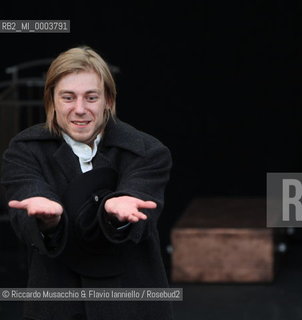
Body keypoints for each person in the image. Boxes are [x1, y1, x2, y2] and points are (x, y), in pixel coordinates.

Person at [1, 46, 173, 320]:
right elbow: (27, 193)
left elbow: (140, 197)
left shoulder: (147, 151)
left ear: (108, 100)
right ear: (52, 101)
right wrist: (47, 219)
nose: (80, 109)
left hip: (130, 301)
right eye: (68, 97)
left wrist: (118, 212)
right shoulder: (24, 150)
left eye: (91, 97)